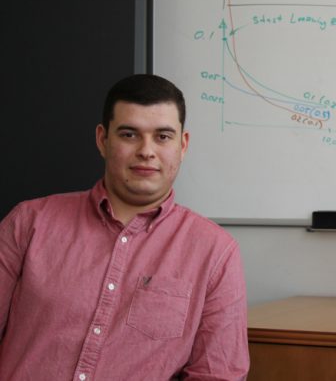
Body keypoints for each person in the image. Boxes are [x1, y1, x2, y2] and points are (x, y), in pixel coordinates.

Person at [0, 74, 250, 379]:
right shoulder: (28, 223)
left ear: (182, 145)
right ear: (103, 140)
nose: (147, 150)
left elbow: (217, 374)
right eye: (130, 134)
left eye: (163, 136)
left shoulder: (215, 253)